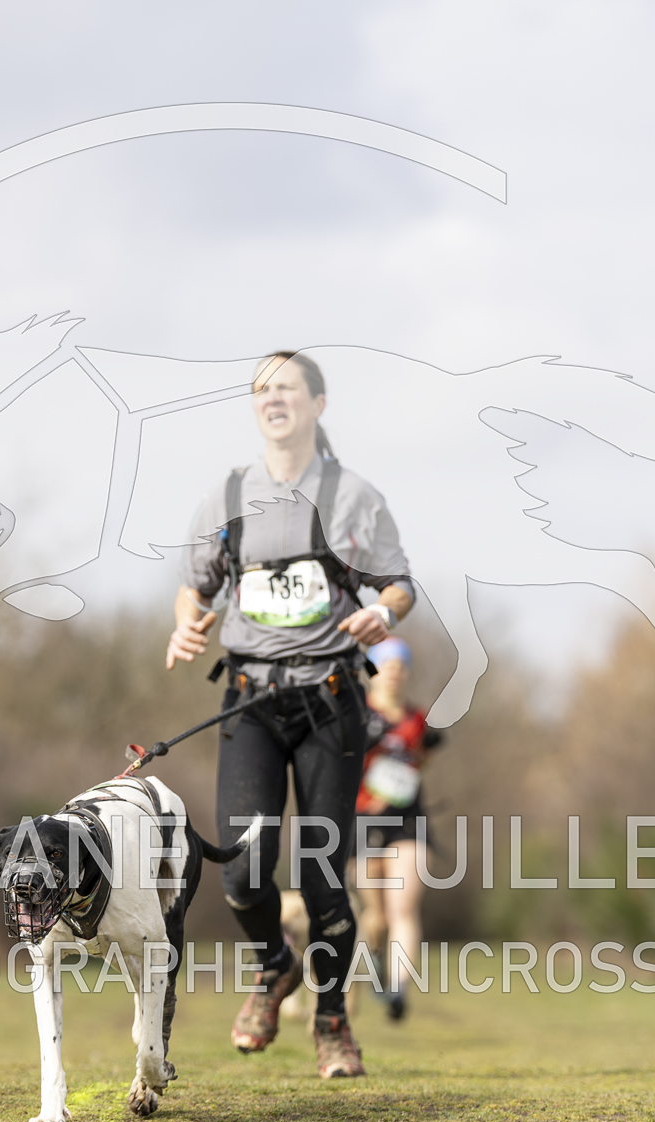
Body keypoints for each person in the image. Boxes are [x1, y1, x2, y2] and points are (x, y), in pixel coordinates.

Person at [166, 350, 414, 1079]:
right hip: (250, 702)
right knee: (242, 872)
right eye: (261, 389)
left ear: (317, 404)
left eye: (286, 388)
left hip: (330, 702)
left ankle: (331, 1020)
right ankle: (274, 965)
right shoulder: (226, 496)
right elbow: (194, 589)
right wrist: (184, 625)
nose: (272, 398)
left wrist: (381, 613)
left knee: (321, 875)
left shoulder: (353, 497)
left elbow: (399, 586)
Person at [352, 637, 443, 1022]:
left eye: (400, 666)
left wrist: (401, 779)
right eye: (386, 665)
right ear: (372, 671)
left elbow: (424, 757)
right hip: (361, 823)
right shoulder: (355, 714)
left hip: (408, 821)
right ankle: (375, 959)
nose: (394, 672)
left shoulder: (418, 719)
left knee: (402, 907)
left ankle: (398, 989)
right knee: (376, 915)